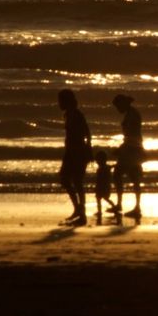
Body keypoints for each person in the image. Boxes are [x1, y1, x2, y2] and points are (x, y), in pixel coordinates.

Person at [58, 88, 93, 225]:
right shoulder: (68, 114)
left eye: (60, 100)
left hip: (77, 152)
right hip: (71, 151)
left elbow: (87, 133)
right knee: (67, 180)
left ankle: (81, 212)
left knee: (75, 181)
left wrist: (87, 149)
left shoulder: (77, 115)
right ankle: (78, 210)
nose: (59, 103)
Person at [112, 94, 145, 220]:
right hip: (133, 148)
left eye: (118, 106)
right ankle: (131, 206)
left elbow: (132, 135)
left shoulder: (132, 115)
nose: (117, 110)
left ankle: (125, 205)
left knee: (120, 174)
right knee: (132, 177)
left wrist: (121, 148)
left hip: (132, 149)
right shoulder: (132, 113)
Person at [93, 149, 116, 225]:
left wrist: (96, 186)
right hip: (105, 186)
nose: (97, 162)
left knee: (102, 198)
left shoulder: (102, 168)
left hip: (102, 186)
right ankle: (101, 210)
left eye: (97, 160)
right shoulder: (106, 167)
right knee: (102, 198)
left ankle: (112, 208)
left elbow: (99, 179)